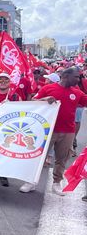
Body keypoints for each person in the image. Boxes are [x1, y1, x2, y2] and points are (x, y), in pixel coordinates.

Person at [24, 67, 87, 195]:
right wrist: (43, 99)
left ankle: (56, 183)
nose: (78, 79)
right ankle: (30, 182)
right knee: (39, 156)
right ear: (65, 76)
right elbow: (32, 102)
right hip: (48, 130)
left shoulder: (77, 92)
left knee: (61, 158)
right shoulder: (48, 89)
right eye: (75, 77)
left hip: (68, 131)